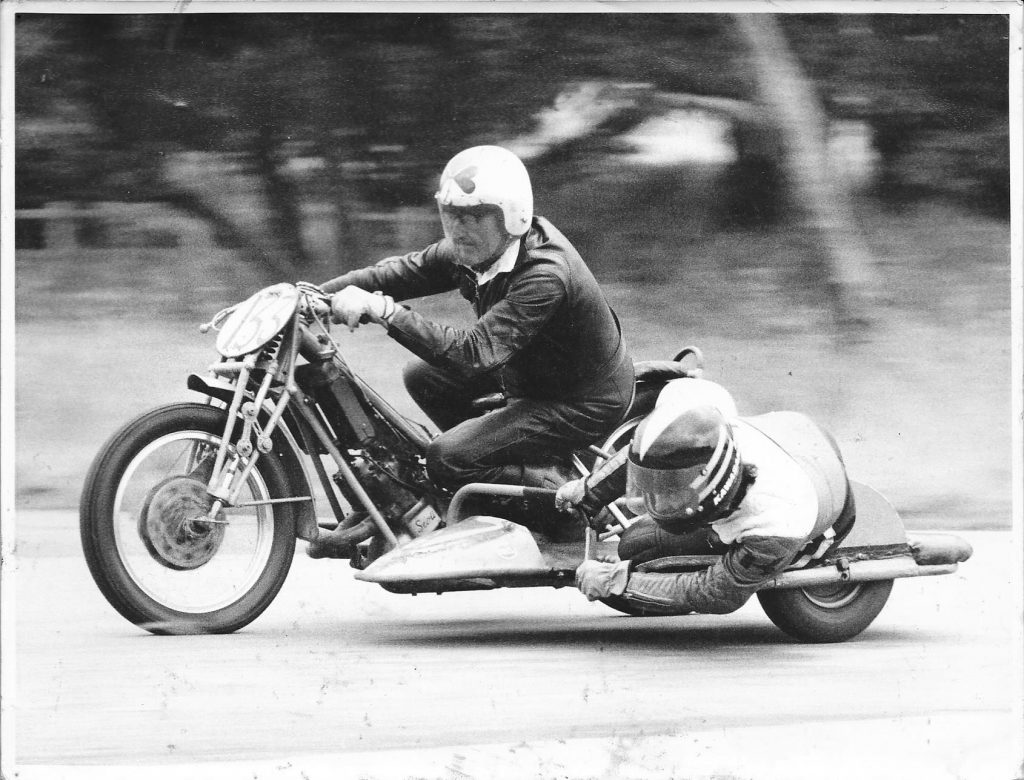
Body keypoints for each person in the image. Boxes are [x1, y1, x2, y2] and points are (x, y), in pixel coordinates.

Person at [310, 145, 634, 556]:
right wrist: (311, 296)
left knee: (448, 458)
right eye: (453, 214)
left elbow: (473, 354)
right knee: (421, 377)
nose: (461, 228)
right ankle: (492, 480)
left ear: (511, 216)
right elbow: (399, 272)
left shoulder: (545, 275)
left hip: (581, 399)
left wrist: (384, 311)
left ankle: (564, 510)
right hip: (528, 373)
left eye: (476, 215)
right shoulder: (478, 250)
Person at [555, 379, 856, 614]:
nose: (658, 502)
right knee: (634, 543)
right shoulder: (713, 432)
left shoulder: (776, 521)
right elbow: (651, 454)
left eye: (672, 492)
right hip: (791, 433)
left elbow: (716, 593)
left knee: (642, 546)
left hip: (816, 501)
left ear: (711, 487)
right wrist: (588, 488)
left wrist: (617, 582)